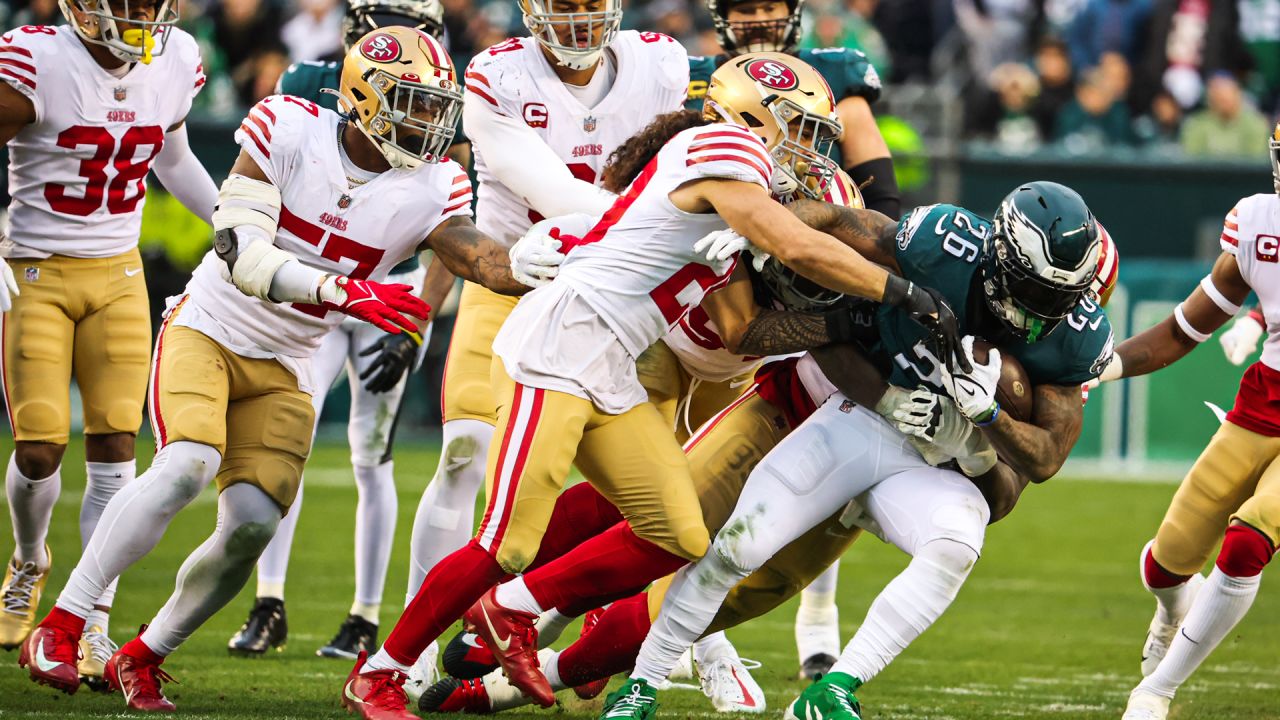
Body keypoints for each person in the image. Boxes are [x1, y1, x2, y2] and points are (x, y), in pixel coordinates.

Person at [341, 51, 959, 720]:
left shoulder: (738, 185)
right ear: (752, 117)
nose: (809, 149)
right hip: (560, 346)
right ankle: (380, 672)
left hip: (613, 364)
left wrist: (838, 313)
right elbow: (797, 246)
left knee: (679, 533)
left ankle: (515, 610)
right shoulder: (720, 146)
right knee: (507, 542)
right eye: (800, 128)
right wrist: (900, 292)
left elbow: (743, 329)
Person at [17, 26, 527, 711]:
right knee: (184, 466)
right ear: (364, 95)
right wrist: (340, 290)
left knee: (253, 525)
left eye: (437, 108)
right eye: (412, 103)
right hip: (213, 326)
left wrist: (543, 267)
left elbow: (480, 258)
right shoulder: (289, 128)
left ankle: (143, 655)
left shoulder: (434, 183)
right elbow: (240, 250)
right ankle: (64, 621)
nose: (428, 124)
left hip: (290, 360)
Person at [599, 181, 1115, 720]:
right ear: (1001, 260)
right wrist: (760, 228)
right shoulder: (945, 243)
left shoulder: (1075, 332)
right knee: (738, 545)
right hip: (861, 419)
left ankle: (832, 690)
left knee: (957, 541)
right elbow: (836, 219)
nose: (1049, 310)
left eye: (1064, 295)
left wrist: (988, 419)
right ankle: (642, 684)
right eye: (1039, 290)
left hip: (930, 464)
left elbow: (1048, 456)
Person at [398, 0, 691, 692]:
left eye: (591, 4)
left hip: (613, 306)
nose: (580, 20)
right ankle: (408, 650)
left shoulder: (661, 61)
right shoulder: (497, 75)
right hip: (514, 286)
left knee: (626, 486)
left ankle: (531, 626)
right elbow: (557, 193)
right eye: (564, 5)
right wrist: (677, 220)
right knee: (464, 454)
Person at [225, 0, 459, 663]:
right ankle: (268, 599)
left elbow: (452, 221)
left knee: (370, 450)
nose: (404, 36)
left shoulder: (441, 95)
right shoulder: (304, 84)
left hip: (392, 289)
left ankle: (363, 613)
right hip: (315, 291)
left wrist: (415, 321)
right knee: (286, 434)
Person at [0, 0, 215, 690]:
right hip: (34, 265)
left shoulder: (177, 57)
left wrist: (232, 226)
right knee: (38, 447)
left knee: (116, 444)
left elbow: (174, 157)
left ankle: (92, 617)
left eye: (153, 3)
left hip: (118, 272)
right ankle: (29, 561)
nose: (145, 16)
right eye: (129, 2)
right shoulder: (35, 59)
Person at [683, 0, 899, 677]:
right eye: (742, 6)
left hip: (799, 279)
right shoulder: (695, 79)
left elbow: (881, 204)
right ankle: (668, 627)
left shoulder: (834, 72)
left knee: (809, 455)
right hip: (713, 290)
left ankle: (816, 619)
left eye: (767, 4)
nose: (755, 18)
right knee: (679, 491)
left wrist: (823, 253)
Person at [1095, 123, 1280, 720]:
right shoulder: (1259, 222)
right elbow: (1183, 328)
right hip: (1263, 403)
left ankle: (1157, 692)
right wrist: (1106, 366)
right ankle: (1175, 611)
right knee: (1166, 562)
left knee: (1249, 540)